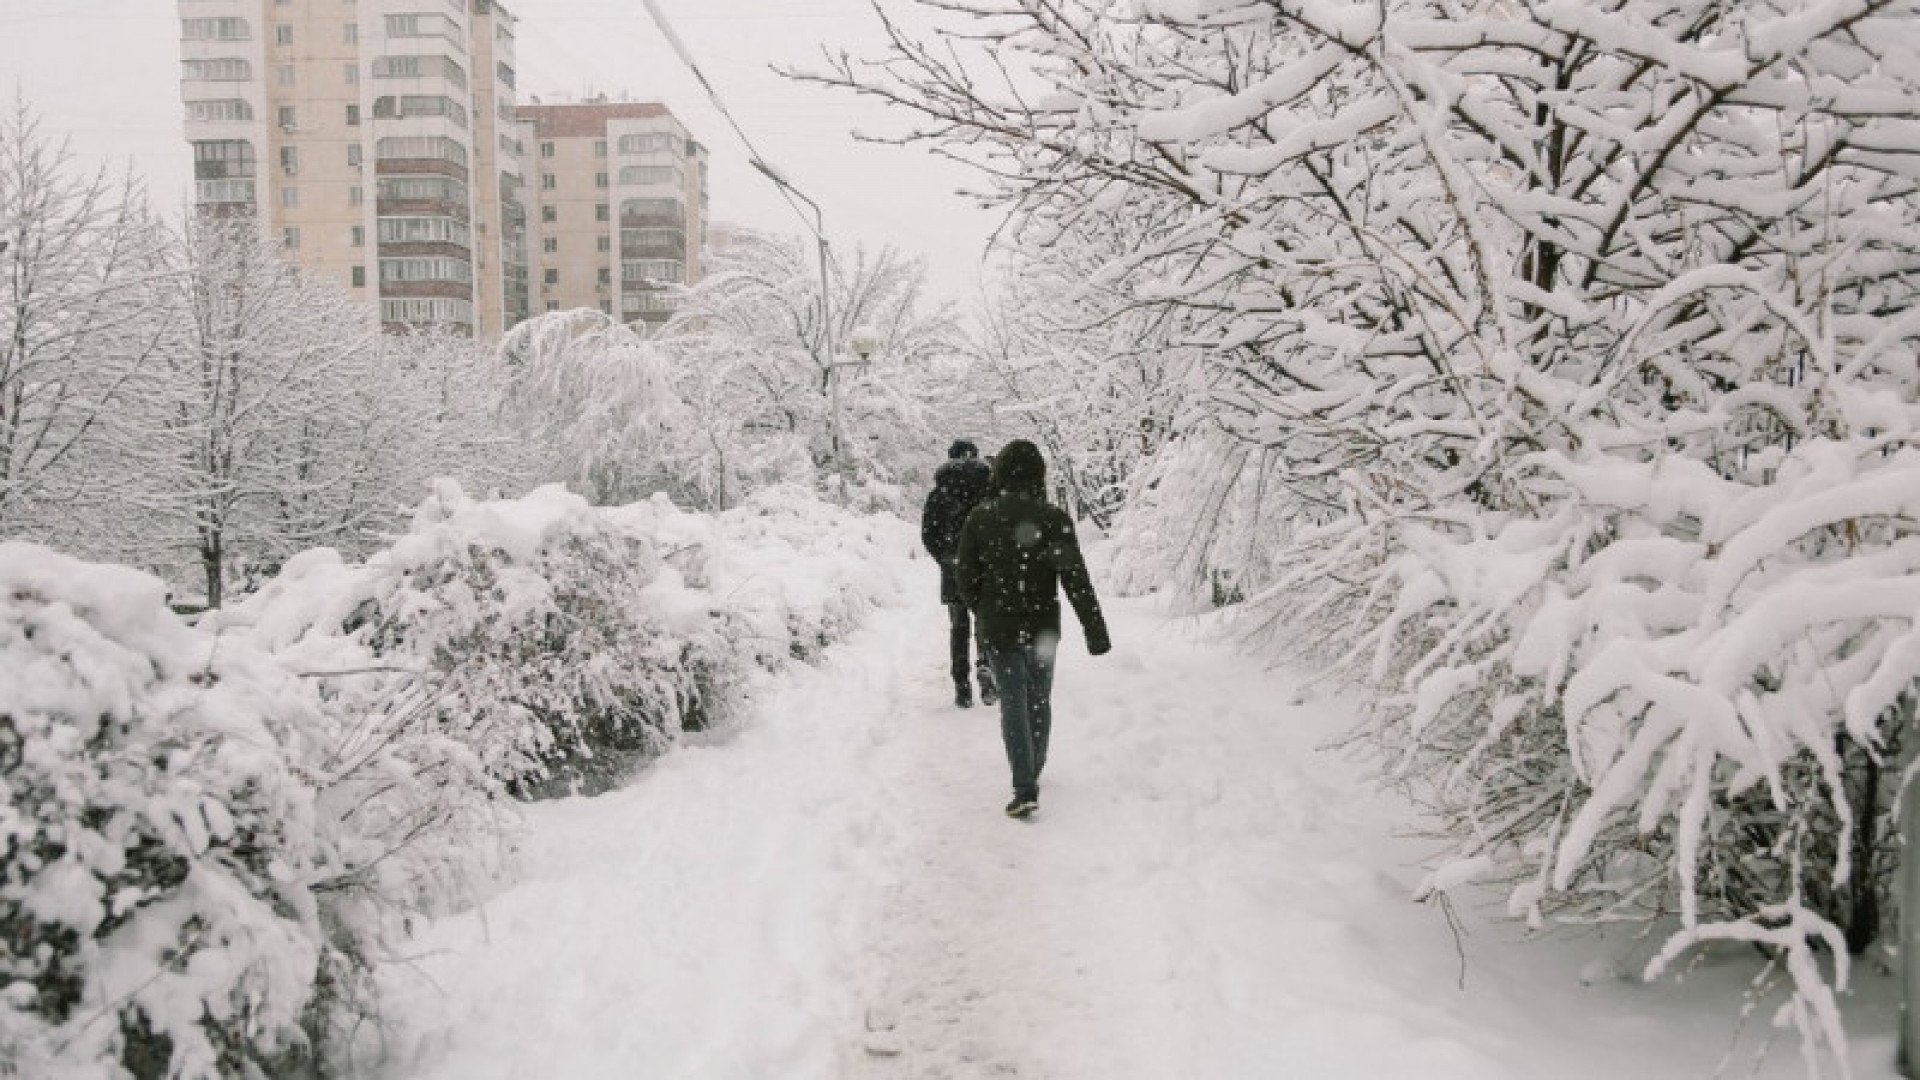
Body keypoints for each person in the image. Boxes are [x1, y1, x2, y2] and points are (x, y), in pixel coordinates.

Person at [956, 439, 1110, 818]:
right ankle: (1033, 768)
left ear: (1000, 474)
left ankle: (1024, 785)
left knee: (1013, 701)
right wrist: (1095, 630)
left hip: (1000, 627)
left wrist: (982, 608)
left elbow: (965, 576)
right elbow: (1076, 579)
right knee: (1039, 700)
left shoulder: (981, 518)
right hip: (1042, 627)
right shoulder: (1054, 519)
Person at [921, 439, 998, 708]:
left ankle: (962, 686)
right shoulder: (990, 488)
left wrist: (945, 559)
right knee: (985, 621)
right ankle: (986, 666)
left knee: (959, 627)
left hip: (954, 568)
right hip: (985, 566)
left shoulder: (939, 492)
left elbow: (928, 534)